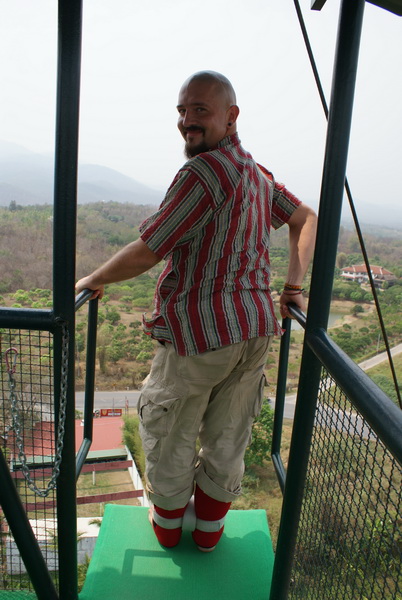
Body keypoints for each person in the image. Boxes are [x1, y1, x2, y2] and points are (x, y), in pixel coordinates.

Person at [76, 70, 317, 552]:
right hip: (253, 331)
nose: (187, 120)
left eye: (200, 110)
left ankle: (168, 531)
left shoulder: (203, 172)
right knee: (229, 435)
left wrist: (92, 280)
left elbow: (150, 249)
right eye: (182, 111)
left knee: (170, 431)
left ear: (231, 116)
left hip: (199, 335)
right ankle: (208, 533)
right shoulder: (255, 172)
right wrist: (293, 286)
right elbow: (306, 216)